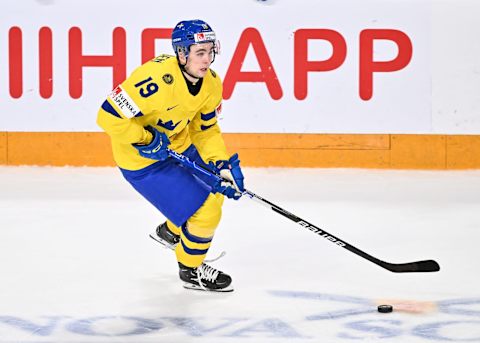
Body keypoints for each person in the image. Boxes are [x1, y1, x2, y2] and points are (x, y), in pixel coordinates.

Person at [96, 19, 245, 292]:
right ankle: (190, 269)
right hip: (142, 161)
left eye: (210, 51)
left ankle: (171, 231)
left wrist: (219, 163)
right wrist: (146, 139)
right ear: (182, 53)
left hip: (178, 146)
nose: (207, 60)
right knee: (207, 212)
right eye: (200, 53)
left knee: (216, 192)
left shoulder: (211, 83)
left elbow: (206, 129)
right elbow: (106, 117)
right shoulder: (153, 80)